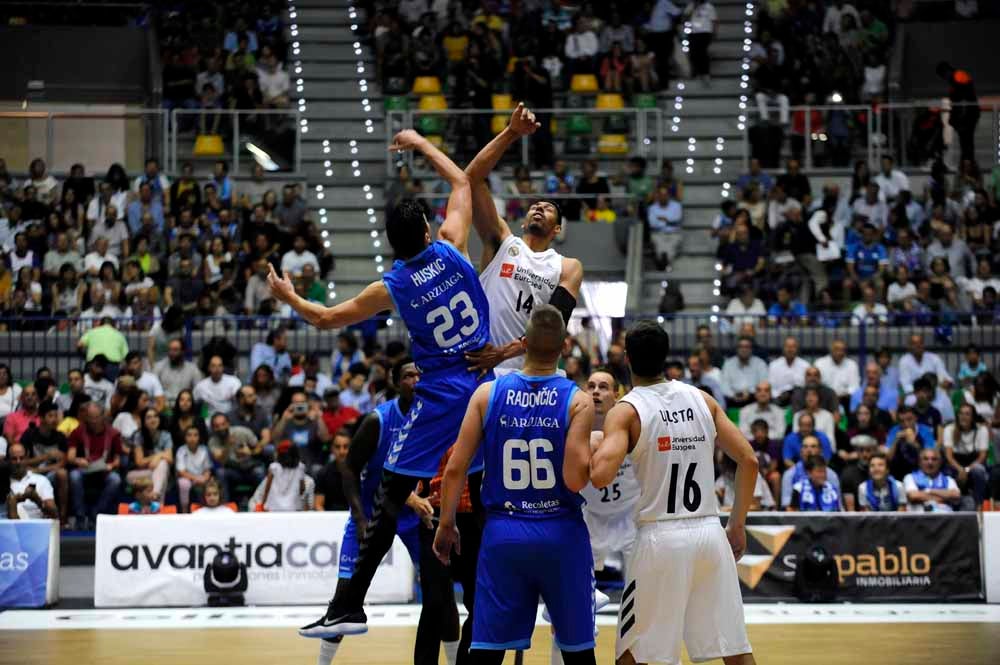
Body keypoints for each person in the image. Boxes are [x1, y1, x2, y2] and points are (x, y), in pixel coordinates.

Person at [274, 128, 490, 637]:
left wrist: (289, 297)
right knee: (487, 496)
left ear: (393, 245)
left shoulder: (392, 285)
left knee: (389, 496)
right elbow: (463, 181)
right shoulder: (454, 248)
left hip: (441, 396)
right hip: (487, 382)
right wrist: (419, 143)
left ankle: (349, 604)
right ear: (428, 231)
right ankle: (513, 597)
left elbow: (326, 319)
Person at [433, 305, 597, 665]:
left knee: (487, 654)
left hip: (504, 534)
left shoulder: (487, 395)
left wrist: (447, 524)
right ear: (564, 346)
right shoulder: (578, 401)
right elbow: (574, 478)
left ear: (523, 344)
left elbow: (456, 469)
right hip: (561, 534)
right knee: (579, 655)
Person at [590, 320, 755, 665]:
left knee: (633, 654)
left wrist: (585, 441)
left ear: (628, 361)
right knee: (734, 650)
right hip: (710, 532)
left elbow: (601, 475)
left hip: (659, 539)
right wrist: (736, 524)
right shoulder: (702, 399)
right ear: (666, 358)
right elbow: (749, 460)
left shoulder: (627, 410)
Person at [316, 359, 430, 663]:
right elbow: (349, 471)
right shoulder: (378, 421)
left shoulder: (431, 417)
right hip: (371, 511)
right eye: (408, 375)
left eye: (421, 373)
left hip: (413, 514)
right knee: (343, 601)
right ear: (395, 382)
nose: (417, 379)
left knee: (439, 597)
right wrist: (359, 517)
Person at [461, 104, 584, 377]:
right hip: (482, 367)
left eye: (548, 208)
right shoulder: (502, 242)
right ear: (523, 222)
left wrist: (503, 353)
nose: (539, 207)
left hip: (529, 373)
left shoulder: (567, 267)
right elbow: (470, 179)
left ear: (557, 230)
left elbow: (552, 327)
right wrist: (511, 133)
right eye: (535, 206)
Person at [577, 370, 639, 574]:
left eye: (603, 387)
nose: (596, 392)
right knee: (580, 588)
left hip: (630, 514)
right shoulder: (573, 429)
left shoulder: (633, 426)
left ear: (616, 395)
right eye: (591, 386)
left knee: (638, 589)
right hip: (590, 515)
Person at [65, 402, 124, 526]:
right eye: (90, 417)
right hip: (85, 469)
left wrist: (111, 466)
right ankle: (80, 516)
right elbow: (70, 456)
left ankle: (96, 514)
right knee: (74, 476)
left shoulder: (113, 434)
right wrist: (78, 460)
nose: (93, 421)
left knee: (116, 479)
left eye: (96, 417)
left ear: (103, 416)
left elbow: (118, 460)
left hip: (104, 470)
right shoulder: (78, 431)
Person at [941, 403, 989, 509]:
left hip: (974, 463)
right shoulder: (950, 429)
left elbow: (982, 456)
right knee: (947, 472)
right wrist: (960, 470)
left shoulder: (981, 430)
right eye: (961, 413)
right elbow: (948, 455)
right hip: (955, 464)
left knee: (979, 470)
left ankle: (979, 505)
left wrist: (966, 470)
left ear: (973, 417)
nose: (963, 417)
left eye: (967, 414)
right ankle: (950, 505)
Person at [5, 442, 58, 520]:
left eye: (21, 458)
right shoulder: (2, 483)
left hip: (37, 527)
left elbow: (54, 514)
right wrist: (13, 501)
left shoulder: (41, 480)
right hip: (11, 528)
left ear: (27, 458)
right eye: (14, 459)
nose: (18, 462)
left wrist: (36, 499)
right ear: (8, 460)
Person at [720, 337, 769, 408]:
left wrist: (749, 393)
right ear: (737, 349)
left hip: (753, 398)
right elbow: (724, 386)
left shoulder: (760, 363)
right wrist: (733, 395)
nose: (744, 349)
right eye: (741, 347)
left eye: (747, 347)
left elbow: (764, 383)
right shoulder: (728, 364)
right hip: (733, 400)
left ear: (751, 349)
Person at [261, 441, 309, 511]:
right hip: (293, 507)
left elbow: (267, 489)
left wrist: (263, 503)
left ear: (279, 455)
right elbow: (302, 489)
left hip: (274, 507)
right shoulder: (300, 467)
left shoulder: (274, 467)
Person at [175, 426, 213, 513]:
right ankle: (184, 510)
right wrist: (196, 478)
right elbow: (181, 472)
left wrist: (204, 478)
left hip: (201, 477)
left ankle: (207, 509)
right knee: (183, 483)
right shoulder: (181, 450)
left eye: (195, 435)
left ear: (199, 437)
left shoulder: (204, 450)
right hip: (187, 478)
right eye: (189, 435)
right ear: (185, 437)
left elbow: (207, 469)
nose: (192, 438)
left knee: (210, 482)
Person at [193, 356, 242, 420]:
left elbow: (240, 402)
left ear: (223, 367)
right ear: (209, 368)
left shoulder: (234, 382)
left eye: (220, 365)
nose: (217, 369)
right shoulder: (200, 386)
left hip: (230, 419)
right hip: (209, 420)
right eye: (213, 366)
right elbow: (197, 405)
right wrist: (203, 418)